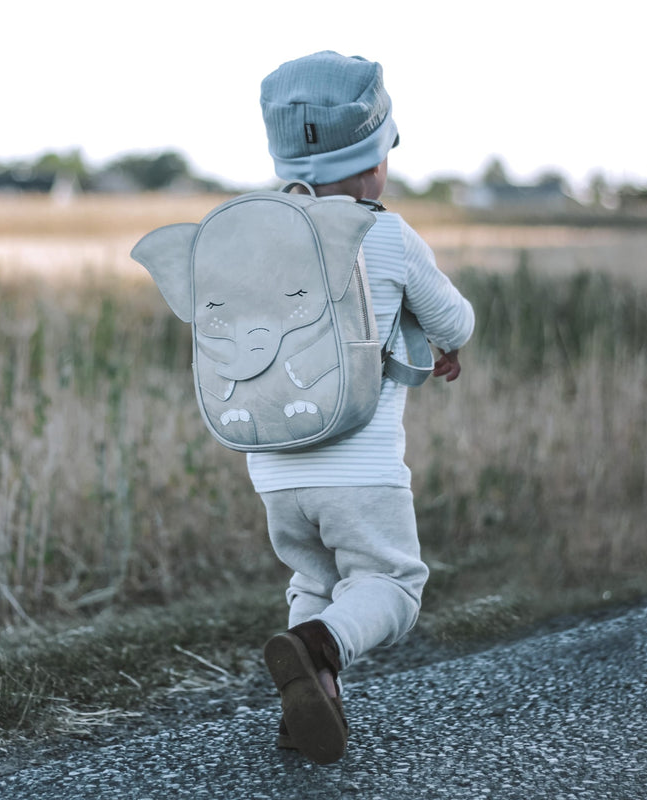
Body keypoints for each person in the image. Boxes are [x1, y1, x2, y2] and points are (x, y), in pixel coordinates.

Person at [254, 51, 475, 765]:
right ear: (375, 162)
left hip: (276, 468)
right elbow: (456, 321)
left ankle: (309, 703)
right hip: (361, 464)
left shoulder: (258, 235)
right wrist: (442, 341)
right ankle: (324, 645)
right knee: (393, 585)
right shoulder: (384, 232)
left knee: (315, 580)